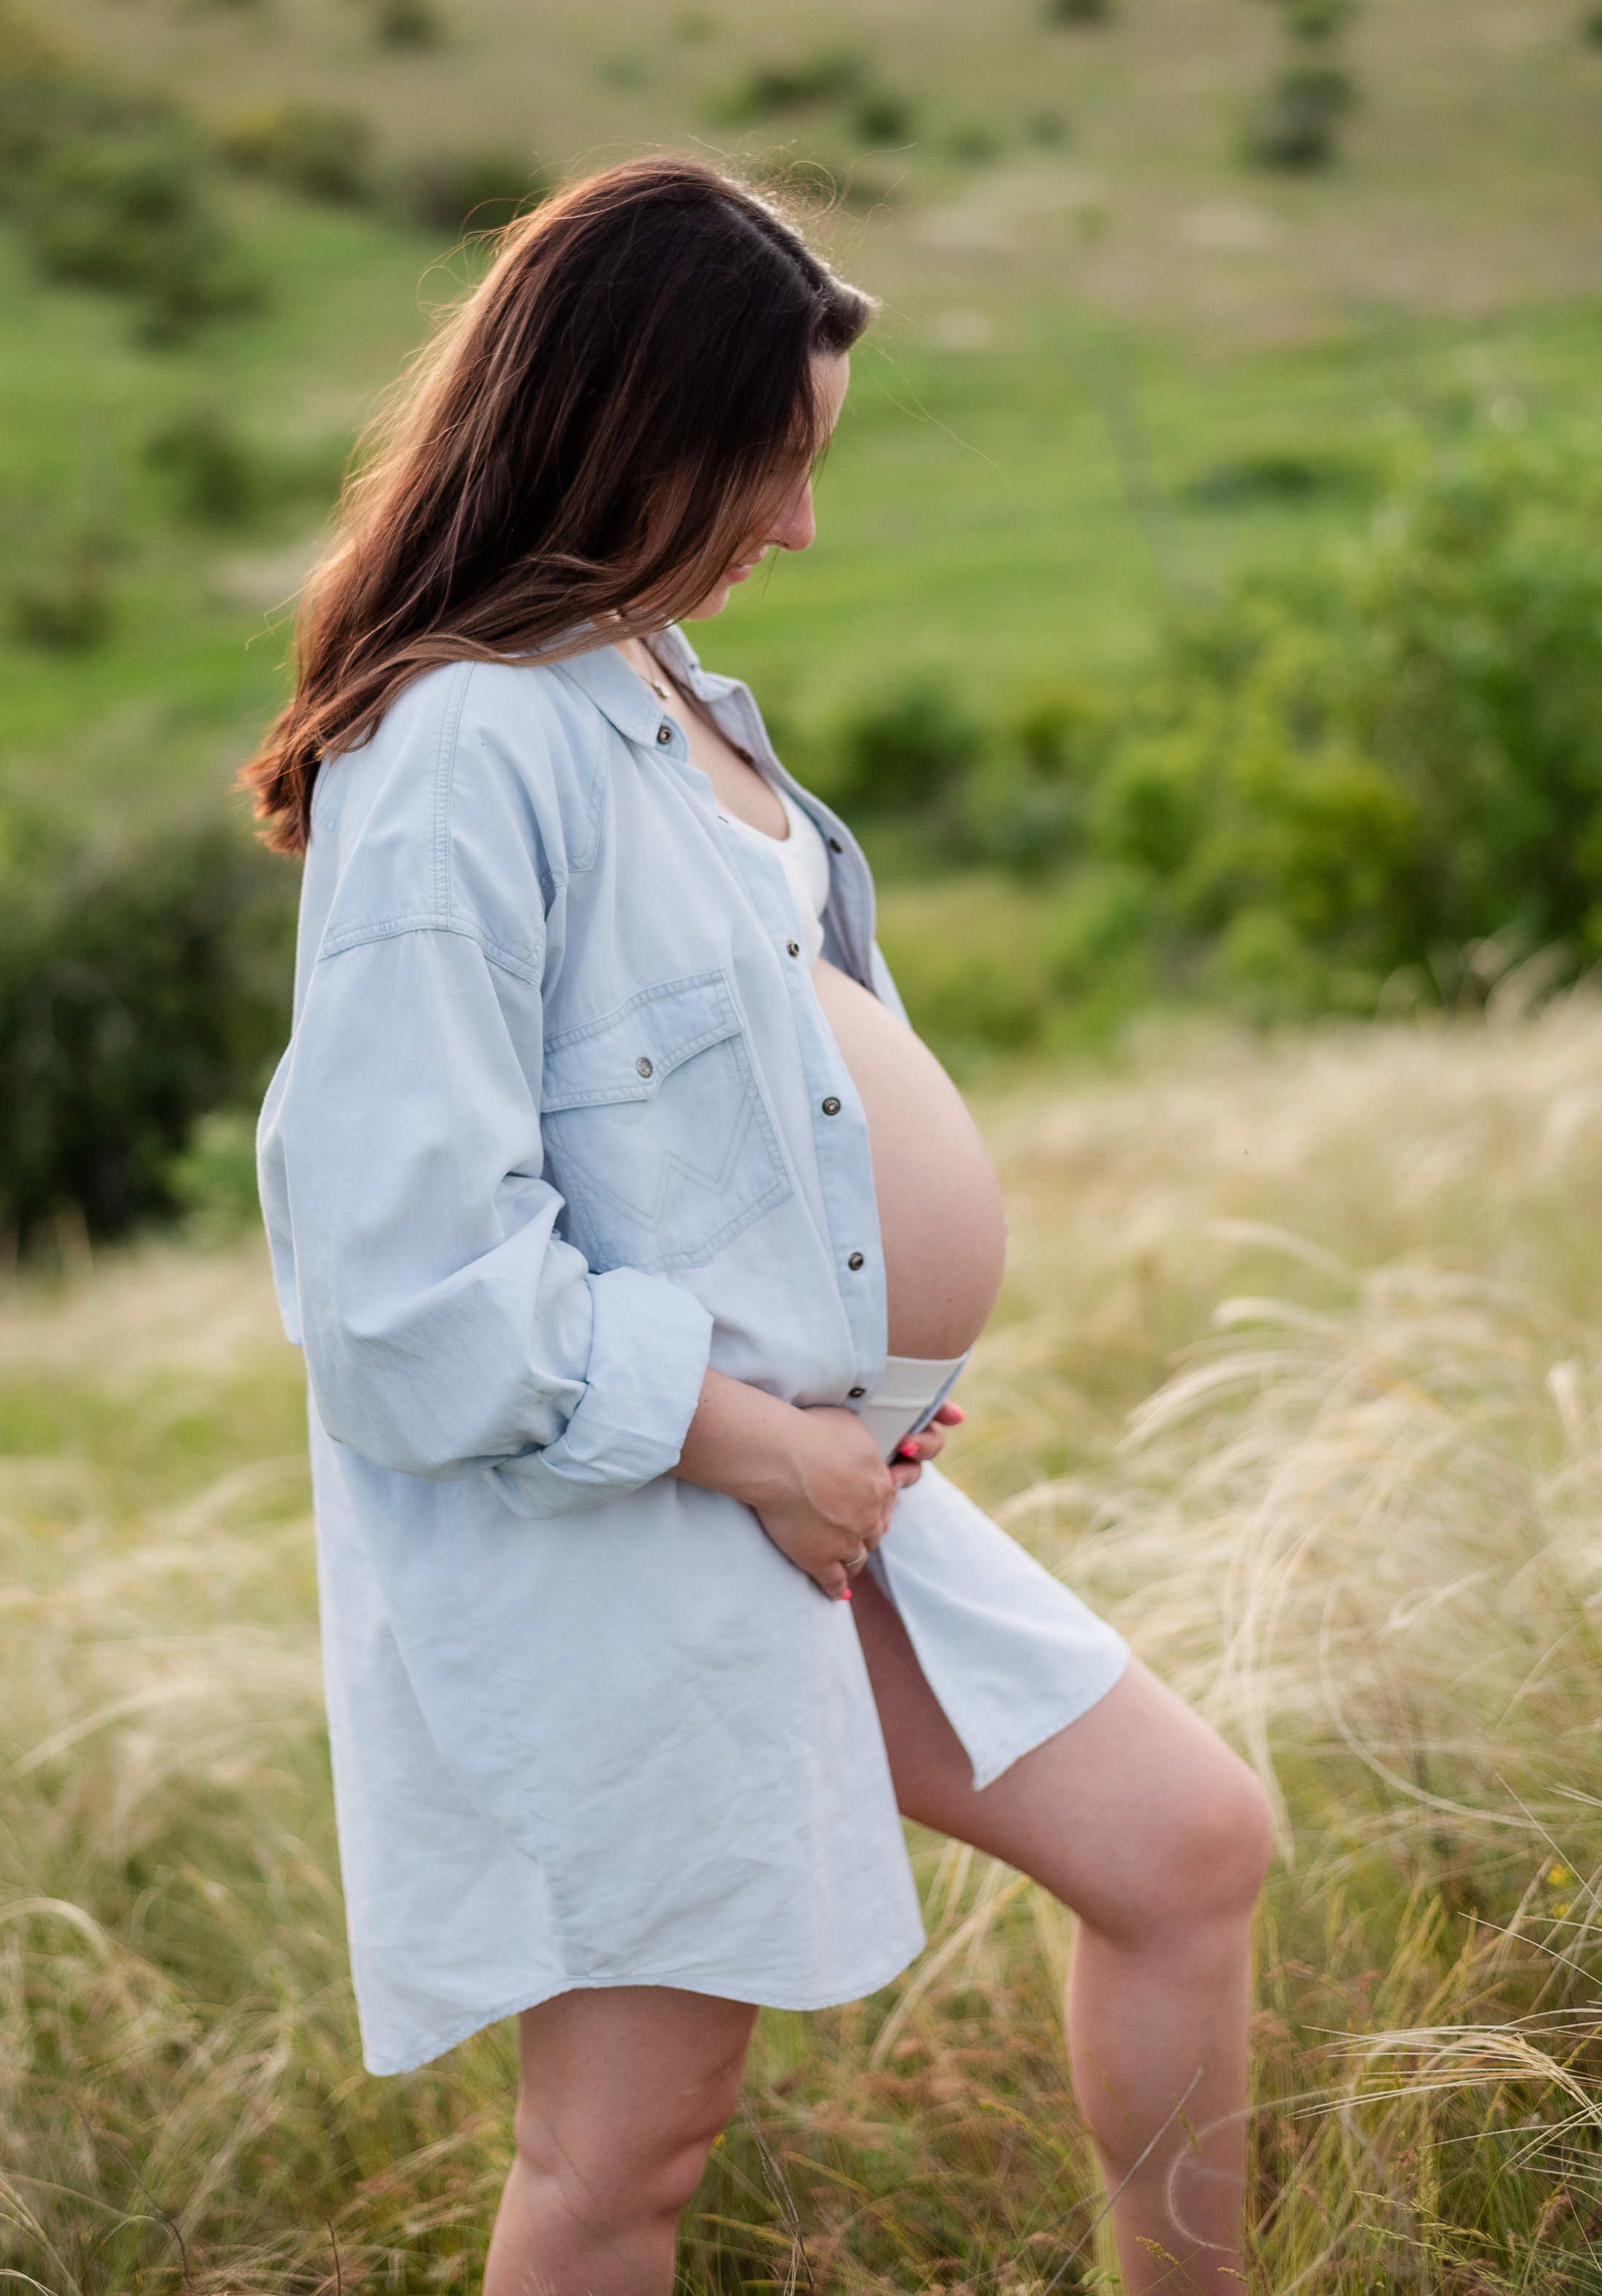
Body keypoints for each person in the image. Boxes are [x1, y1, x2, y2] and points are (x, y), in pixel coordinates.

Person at [246, 156, 1272, 2296]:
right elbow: (402, 1286)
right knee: (625, 2149)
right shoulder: (463, 745)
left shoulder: (662, 677)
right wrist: (766, 1442)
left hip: (813, 1486)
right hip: (637, 1510)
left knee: (1187, 1845)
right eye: (765, 462)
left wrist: (856, 1386)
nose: (798, 525)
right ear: (625, 430)